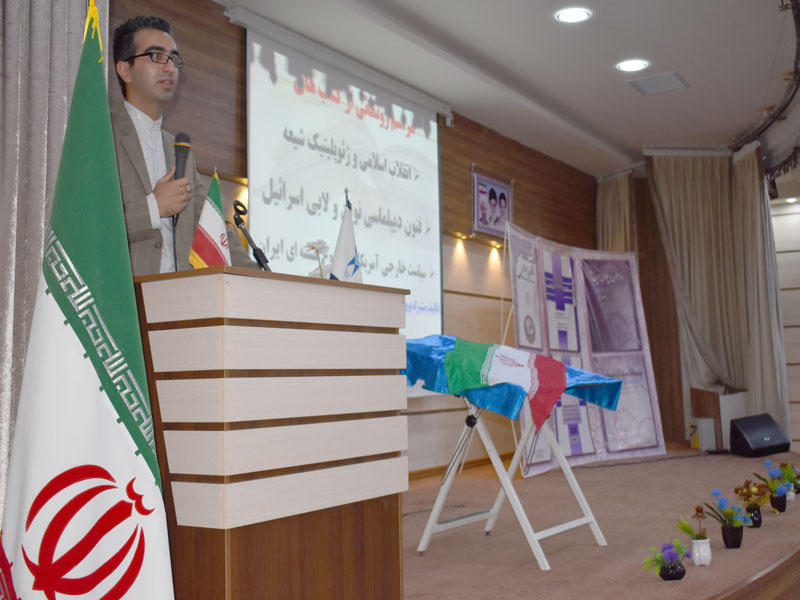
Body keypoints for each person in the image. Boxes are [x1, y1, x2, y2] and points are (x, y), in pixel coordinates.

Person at [111, 15, 255, 275]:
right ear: (125, 70)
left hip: (180, 294)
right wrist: (154, 206)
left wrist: (261, 277)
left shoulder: (180, 150)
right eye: (156, 56)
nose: (169, 68)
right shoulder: (103, 136)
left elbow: (210, 223)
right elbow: (88, 226)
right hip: (125, 295)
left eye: (174, 59)